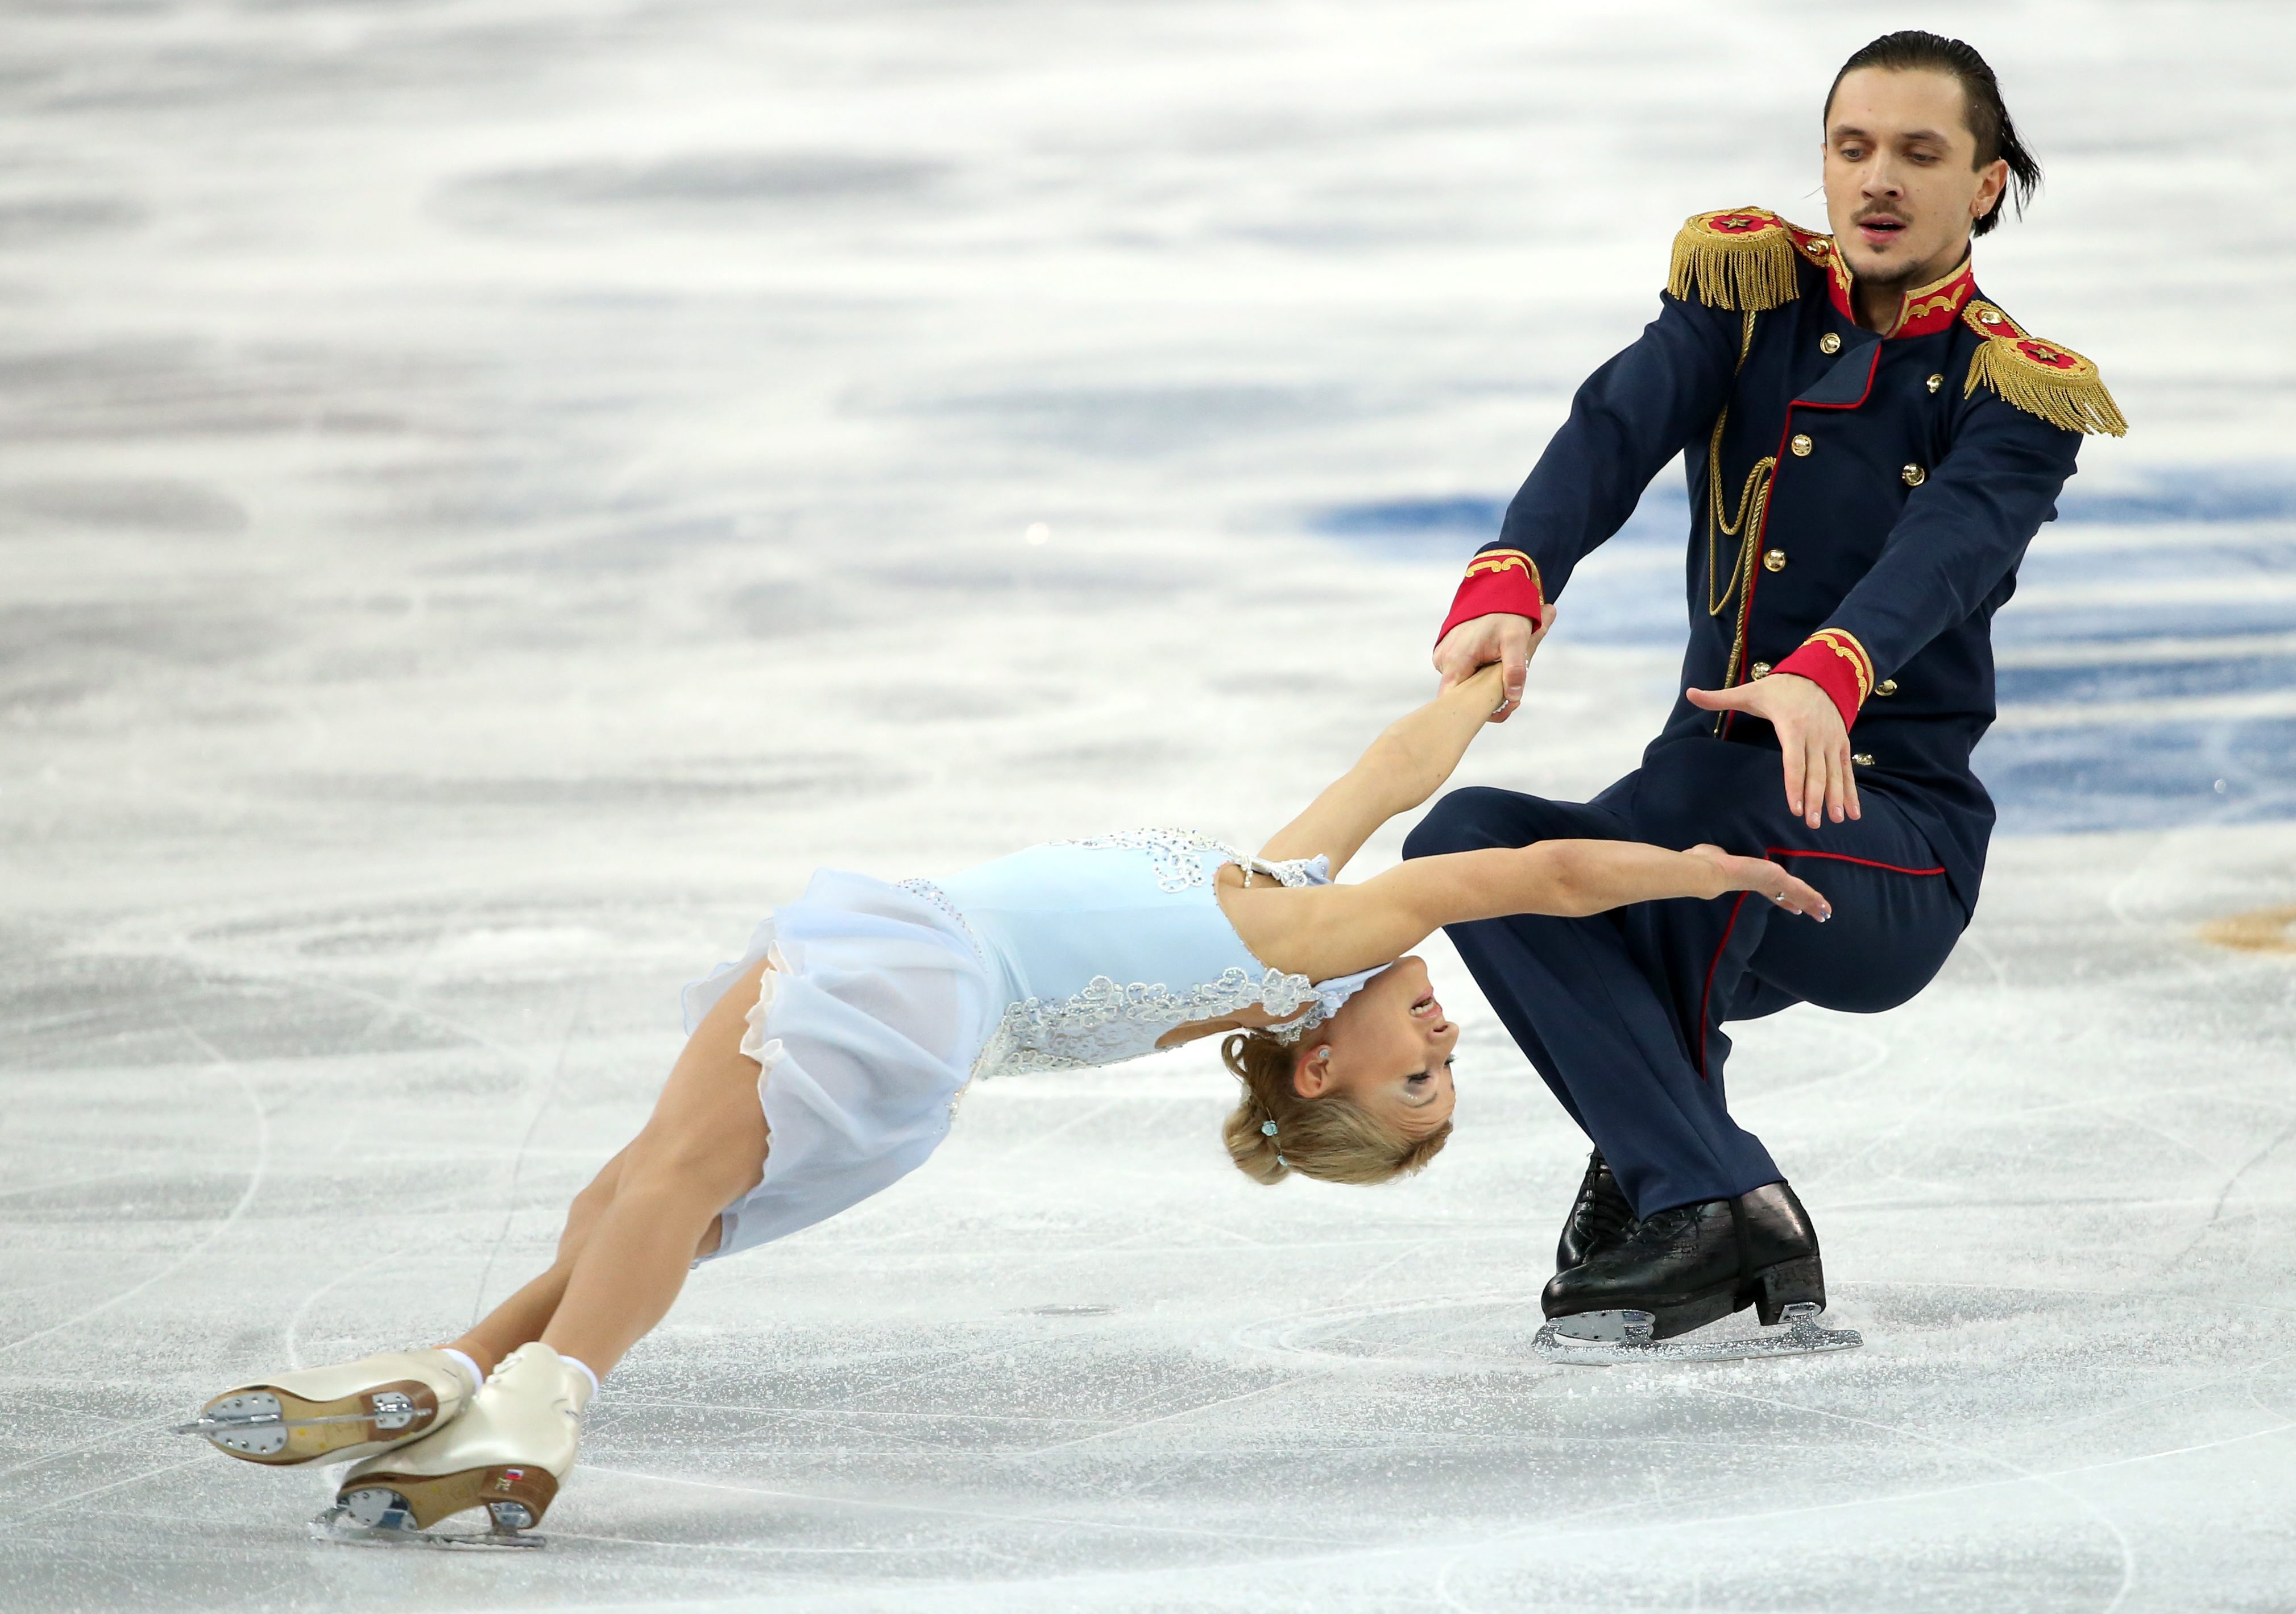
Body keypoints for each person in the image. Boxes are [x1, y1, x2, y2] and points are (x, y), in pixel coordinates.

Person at [178, 645, 1829, 1539]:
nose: (1440, 1034)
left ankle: (529, 1404)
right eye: (1445, 1058)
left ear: (1318, 1061)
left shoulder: (1321, 930)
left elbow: (1522, 872)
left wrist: (1688, 863)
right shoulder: (1285, 907)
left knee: (661, 1185)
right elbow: (1397, 777)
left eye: (1414, 1071)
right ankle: (466, 1376)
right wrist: (1488, 668)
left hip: (909, 972)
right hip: (925, 1023)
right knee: (637, 1197)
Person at [1404, 30, 2126, 1353]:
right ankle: (1719, 1186)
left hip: (1881, 844)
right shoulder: (1748, 299)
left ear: (1987, 183)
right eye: (1853, 148)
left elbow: (1943, 553)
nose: (1878, 181)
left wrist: (1823, 681)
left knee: (1695, 785)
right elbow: (1613, 428)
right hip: (1712, 802)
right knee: (1461, 847)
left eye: (1921, 152)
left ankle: (1669, 1175)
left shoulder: (2020, 393)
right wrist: (1512, 580)